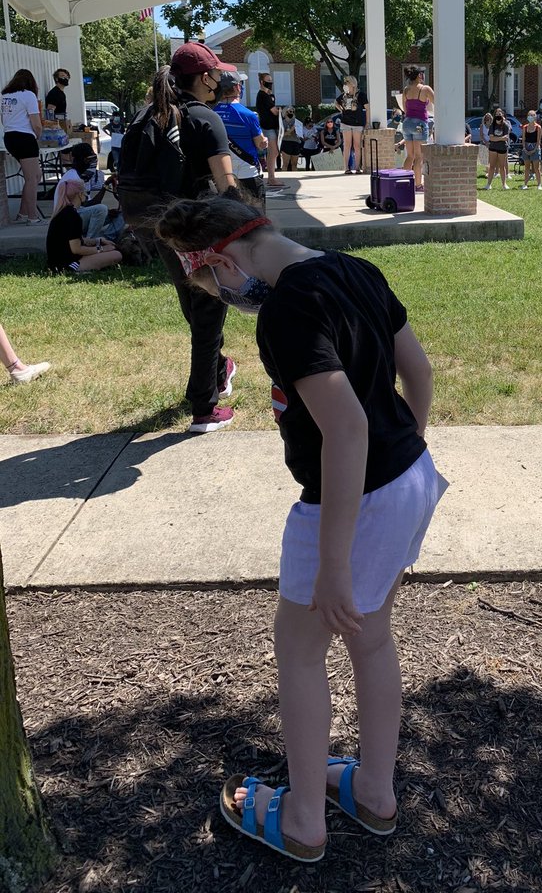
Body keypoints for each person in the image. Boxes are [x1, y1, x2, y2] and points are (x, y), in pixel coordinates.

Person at [153, 195, 441, 864]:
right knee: (371, 640)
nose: (222, 297)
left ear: (220, 260)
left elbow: (345, 429)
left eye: (206, 284)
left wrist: (336, 561)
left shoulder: (286, 310)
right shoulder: (355, 269)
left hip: (347, 504)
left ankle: (305, 821)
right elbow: (418, 374)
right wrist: (403, 464)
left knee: (301, 652)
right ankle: (374, 790)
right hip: (411, 479)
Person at [118, 46, 242, 433]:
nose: (218, 80)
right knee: (207, 311)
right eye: (216, 74)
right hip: (199, 228)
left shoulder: (146, 116)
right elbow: (227, 185)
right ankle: (205, 407)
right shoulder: (205, 119)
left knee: (193, 303)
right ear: (204, 78)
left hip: (160, 228)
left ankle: (219, 367)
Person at [46, 178, 122, 274]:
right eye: (85, 192)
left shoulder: (63, 212)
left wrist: (98, 241)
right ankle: (76, 270)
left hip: (57, 262)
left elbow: (78, 240)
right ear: (80, 194)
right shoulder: (72, 216)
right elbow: (76, 249)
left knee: (112, 252)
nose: (86, 195)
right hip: (67, 264)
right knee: (117, 255)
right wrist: (101, 249)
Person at [214, 72, 267, 205]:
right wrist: (264, 142)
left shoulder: (211, 113)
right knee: (256, 217)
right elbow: (260, 143)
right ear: (238, 87)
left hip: (222, 176)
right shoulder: (248, 115)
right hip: (248, 173)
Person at [1, 69, 43, 224]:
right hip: (25, 137)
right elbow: (36, 124)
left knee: (36, 175)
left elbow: (3, 119)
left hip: (10, 137)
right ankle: (33, 217)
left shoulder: (5, 96)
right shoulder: (28, 95)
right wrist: (37, 136)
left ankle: (22, 213)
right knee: (32, 178)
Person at [54, 142, 110, 238]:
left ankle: (109, 239)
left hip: (79, 215)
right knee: (101, 209)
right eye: (92, 159)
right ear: (85, 160)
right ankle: (90, 241)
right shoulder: (74, 179)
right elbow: (86, 205)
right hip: (70, 220)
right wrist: (105, 186)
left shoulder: (80, 176)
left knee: (120, 216)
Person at [400, 66, 433, 193]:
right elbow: (438, 102)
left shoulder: (406, 90)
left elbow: (405, 109)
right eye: (422, 74)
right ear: (419, 75)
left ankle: (404, 183)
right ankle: (418, 185)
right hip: (419, 123)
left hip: (407, 123)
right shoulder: (425, 89)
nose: (423, 76)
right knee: (419, 156)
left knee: (410, 155)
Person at [255, 74, 285, 191]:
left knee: (273, 152)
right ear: (262, 82)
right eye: (268, 81)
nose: (270, 83)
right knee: (274, 151)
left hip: (270, 126)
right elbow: (274, 111)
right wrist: (282, 110)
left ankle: (271, 177)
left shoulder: (268, 95)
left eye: (271, 80)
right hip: (267, 127)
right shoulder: (263, 95)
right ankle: (271, 177)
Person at [336, 75, 368, 175]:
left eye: (347, 82)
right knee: (347, 145)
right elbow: (336, 102)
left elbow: (367, 108)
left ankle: (357, 168)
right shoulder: (344, 95)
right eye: (345, 82)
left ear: (353, 83)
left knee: (357, 145)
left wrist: (367, 123)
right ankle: (346, 168)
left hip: (357, 123)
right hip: (346, 122)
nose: (345, 84)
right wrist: (342, 110)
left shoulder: (361, 95)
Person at [485, 108, 510, 190]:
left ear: (502, 116)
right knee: (492, 166)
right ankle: (488, 184)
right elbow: (491, 138)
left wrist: (497, 138)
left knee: (502, 167)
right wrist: (500, 138)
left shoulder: (505, 125)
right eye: (497, 115)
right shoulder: (492, 125)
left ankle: (504, 184)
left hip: (502, 148)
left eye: (500, 115)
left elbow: (506, 138)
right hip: (493, 148)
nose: (498, 117)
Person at [520, 111, 542, 189]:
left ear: (535, 117)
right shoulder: (525, 127)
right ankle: (525, 184)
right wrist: (524, 148)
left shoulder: (538, 127)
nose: (531, 117)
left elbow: (538, 140)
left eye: (532, 115)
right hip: (526, 147)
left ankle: (539, 184)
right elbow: (523, 139)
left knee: (536, 168)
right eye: (529, 115)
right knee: (526, 167)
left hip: (535, 148)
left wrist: (534, 149)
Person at [279, 107, 303, 172]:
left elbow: (301, 134)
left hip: (296, 142)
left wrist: (298, 132)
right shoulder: (282, 122)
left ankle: (294, 179)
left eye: (292, 111)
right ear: (285, 112)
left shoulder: (297, 122)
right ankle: (284, 179)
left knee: (294, 164)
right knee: (285, 164)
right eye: (289, 111)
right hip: (286, 142)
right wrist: (290, 131)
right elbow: (281, 135)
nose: (291, 113)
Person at [104, 108, 126, 173]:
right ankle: (117, 172)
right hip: (114, 145)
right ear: (113, 117)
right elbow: (104, 128)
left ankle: (120, 171)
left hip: (121, 144)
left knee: (121, 160)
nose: (117, 118)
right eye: (116, 116)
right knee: (116, 160)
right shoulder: (110, 125)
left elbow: (123, 132)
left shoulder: (121, 125)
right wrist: (108, 134)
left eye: (118, 116)